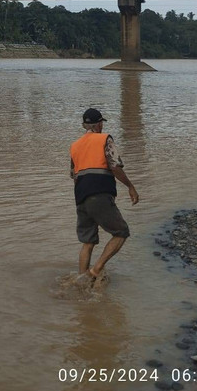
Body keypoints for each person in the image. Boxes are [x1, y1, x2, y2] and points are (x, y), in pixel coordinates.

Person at [70, 107, 139, 280]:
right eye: (101, 123)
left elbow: (74, 175)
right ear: (100, 124)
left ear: (84, 126)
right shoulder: (104, 139)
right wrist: (130, 186)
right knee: (121, 232)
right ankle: (95, 271)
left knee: (88, 241)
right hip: (99, 193)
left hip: (81, 197)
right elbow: (114, 167)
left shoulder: (75, 146)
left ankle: (81, 280)